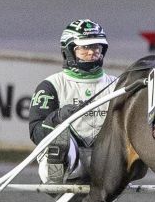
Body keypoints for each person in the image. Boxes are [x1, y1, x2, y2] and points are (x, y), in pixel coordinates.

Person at [28, 19, 118, 183]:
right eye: (85, 48)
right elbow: (35, 132)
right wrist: (57, 118)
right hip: (64, 167)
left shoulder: (117, 85)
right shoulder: (51, 86)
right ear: (68, 50)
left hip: (105, 162)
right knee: (60, 140)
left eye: (96, 47)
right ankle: (61, 174)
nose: (91, 53)